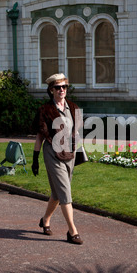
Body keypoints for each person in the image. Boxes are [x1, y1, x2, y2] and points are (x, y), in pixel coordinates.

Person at [31, 73, 83, 245]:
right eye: (58, 87)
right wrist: (35, 158)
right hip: (52, 153)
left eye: (64, 87)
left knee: (57, 193)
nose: (62, 90)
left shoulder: (74, 108)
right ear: (51, 90)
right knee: (65, 192)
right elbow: (40, 136)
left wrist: (80, 150)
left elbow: (76, 133)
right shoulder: (44, 110)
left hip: (69, 154)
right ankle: (72, 231)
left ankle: (45, 220)